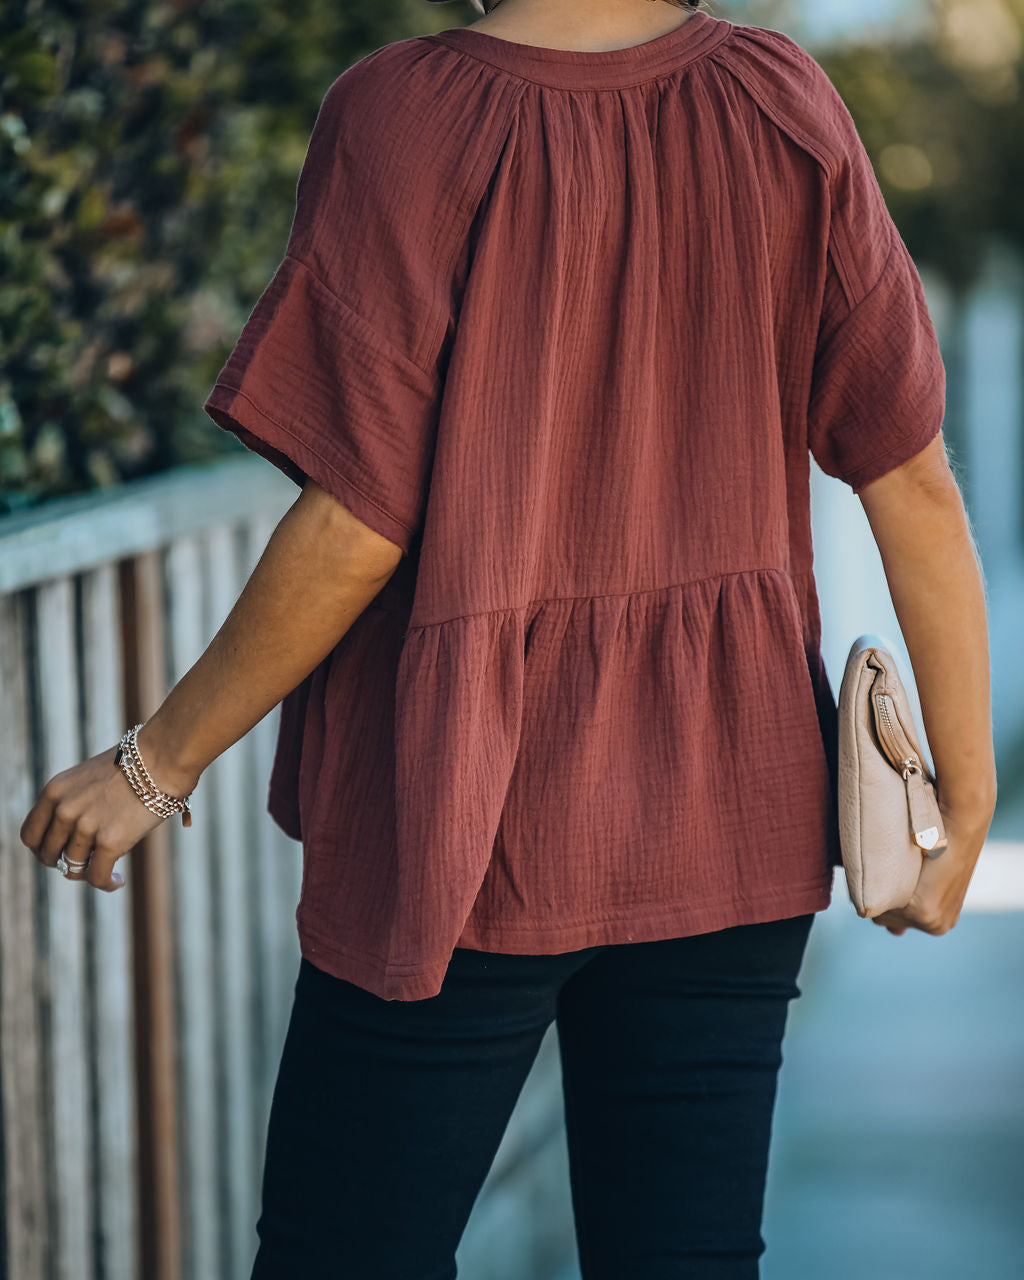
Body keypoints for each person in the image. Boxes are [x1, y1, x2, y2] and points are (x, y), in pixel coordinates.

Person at [20, 0, 997, 1275]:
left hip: (463, 816)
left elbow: (358, 519)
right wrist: (962, 796)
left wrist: (155, 761)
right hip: (726, 804)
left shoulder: (404, 115)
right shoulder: (779, 101)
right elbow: (907, 476)